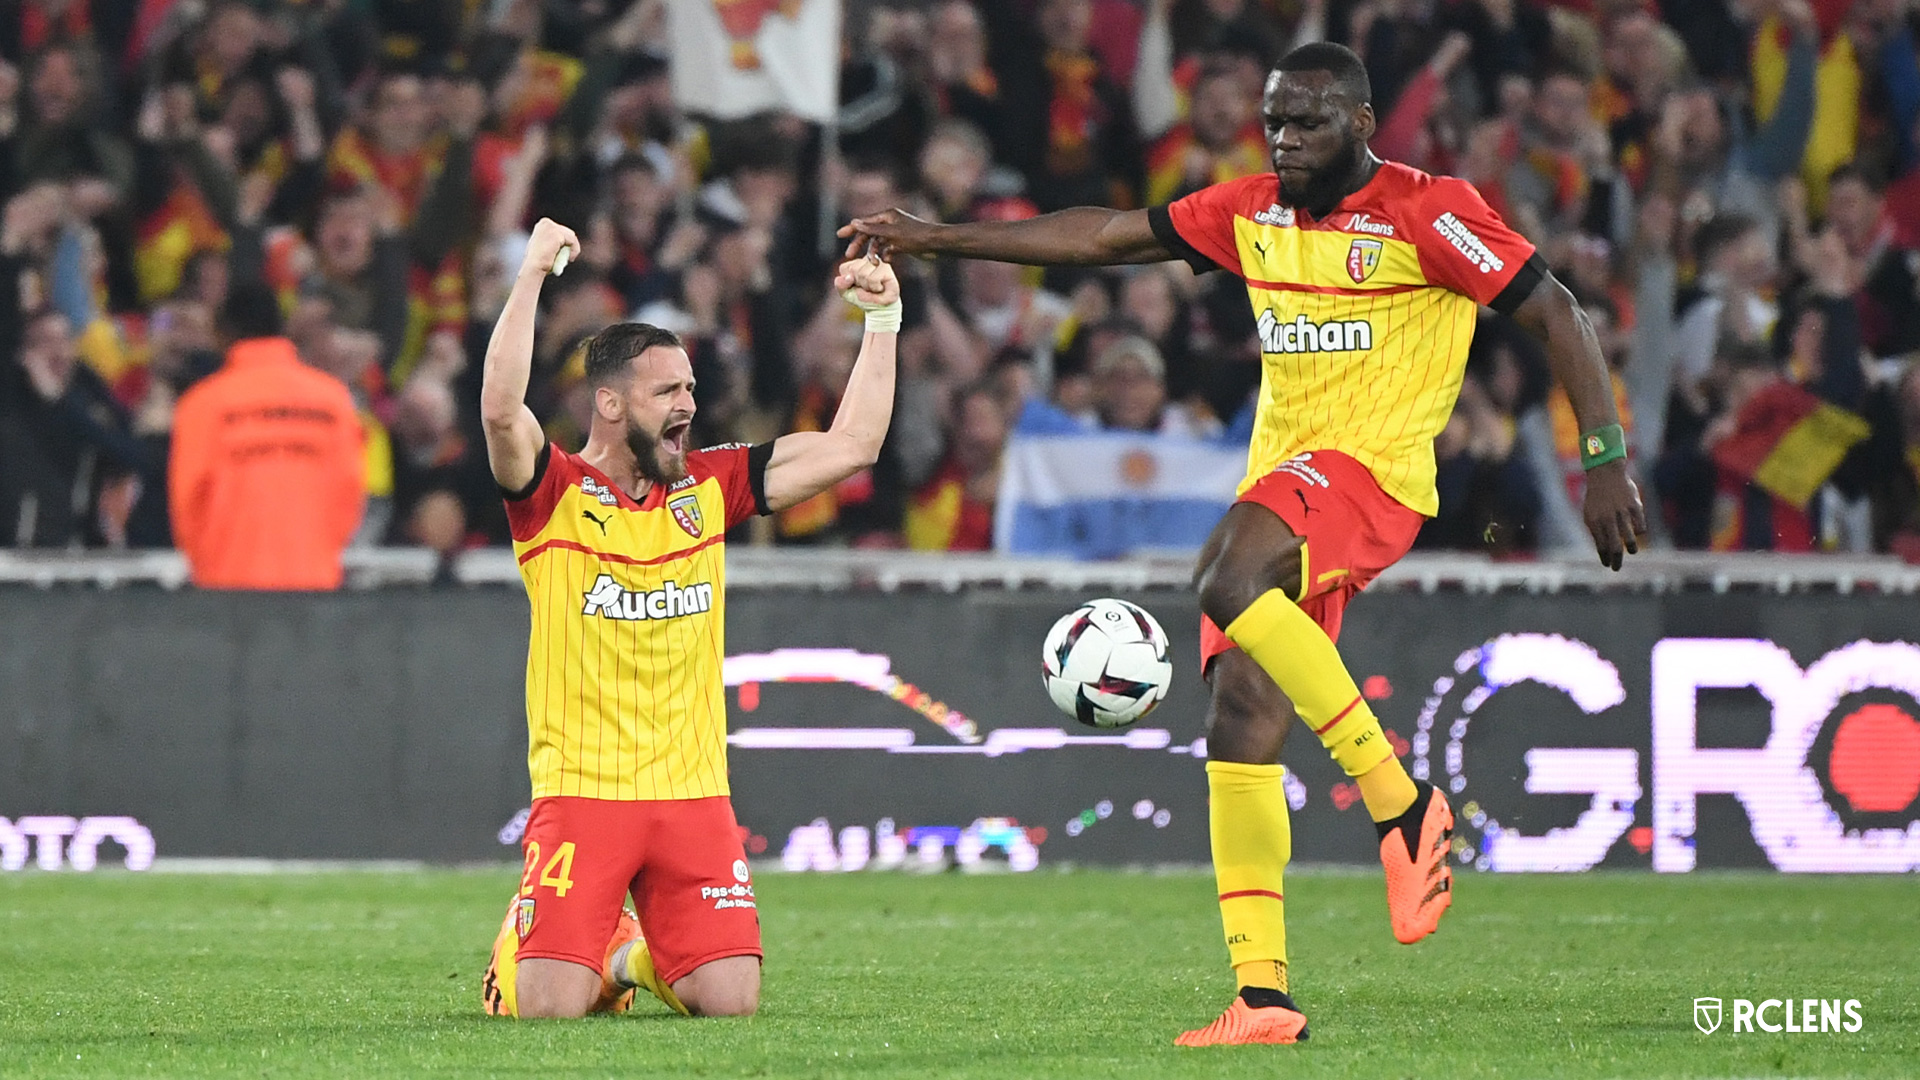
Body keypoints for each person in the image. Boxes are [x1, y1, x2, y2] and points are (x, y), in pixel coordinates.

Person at [841, 41, 1645, 1046]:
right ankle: (1263, 995)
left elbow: (1555, 309)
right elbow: (1101, 239)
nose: (1283, 139)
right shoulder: (1250, 208)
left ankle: (1400, 805)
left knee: (1224, 574)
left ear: (1358, 124)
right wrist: (936, 238)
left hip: (1371, 474)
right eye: (1273, 121)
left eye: (1304, 122)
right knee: (1241, 714)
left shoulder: (1427, 210)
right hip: (1287, 478)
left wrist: (1605, 457)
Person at [477, 218, 902, 1020]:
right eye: (669, 391)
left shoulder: (710, 487)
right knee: (547, 1014)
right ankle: (547, 948)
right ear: (609, 402)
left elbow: (855, 444)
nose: (691, 405)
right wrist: (531, 275)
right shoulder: (553, 494)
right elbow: (502, 412)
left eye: (692, 389)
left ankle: (625, 956)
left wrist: (882, 321)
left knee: (730, 1002)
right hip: (583, 791)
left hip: (693, 793)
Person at [168, 283, 365, 589]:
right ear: (280, 328)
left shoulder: (201, 405)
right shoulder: (333, 399)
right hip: (314, 580)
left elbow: (188, 503)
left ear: (223, 333)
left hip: (226, 585)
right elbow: (349, 491)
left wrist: (209, 561)